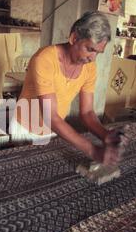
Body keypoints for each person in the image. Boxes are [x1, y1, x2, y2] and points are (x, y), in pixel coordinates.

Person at [10, 12, 125, 167]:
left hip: (54, 131)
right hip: (25, 131)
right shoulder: (44, 59)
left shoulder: (89, 68)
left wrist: (105, 135)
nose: (93, 58)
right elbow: (50, 117)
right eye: (90, 49)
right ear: (74, 38)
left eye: (98, 52)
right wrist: (93, 151)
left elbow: (87, 113)